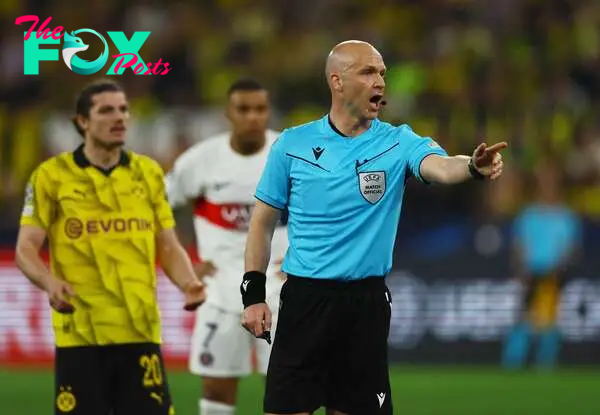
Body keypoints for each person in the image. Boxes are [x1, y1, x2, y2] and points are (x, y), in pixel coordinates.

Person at [241, 40, 507, 415]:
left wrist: (471, 167)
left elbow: (441, 165)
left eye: (382, 73)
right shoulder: (292, 145)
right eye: (368, 72)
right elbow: (262, 224)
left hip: (365, 306)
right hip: (305, 303)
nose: (380, 81)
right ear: (337, 81)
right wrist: (253, 294)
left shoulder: (398, 142)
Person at [15, 79, 205, 415]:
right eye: (106, 110)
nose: (119, 117)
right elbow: (26, 248)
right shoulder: (51, 176)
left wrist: (188, 283)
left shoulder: (148, 173)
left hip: (140, 330)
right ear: (82, 122)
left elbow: (169, 245)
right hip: (81, 335)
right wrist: (48, 282)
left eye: (123, 109)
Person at [166, 78, 287, 415]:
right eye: (243, 109)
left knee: (285, 389)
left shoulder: (288, 154)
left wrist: (302, 259)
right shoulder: (201, 160)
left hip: (282, 294)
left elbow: (325, 213)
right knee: (216, 389)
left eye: (260, 109)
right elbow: (156, 208)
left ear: (268, 113)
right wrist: (186, 258)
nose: (252, 117)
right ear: (227, 114)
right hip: (219, 292)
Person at [502, 157, 582, 370]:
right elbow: (520, 245)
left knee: (548, 322)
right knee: (522, 319)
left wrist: (559, 269)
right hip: (530, 273)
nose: (547, 186)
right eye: (543, 181)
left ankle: (544, 366)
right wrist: (521, 270)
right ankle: (512, 365)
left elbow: (571, 249)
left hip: (553, 274)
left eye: (551, 181)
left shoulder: (566, 217)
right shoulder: (528, 215)